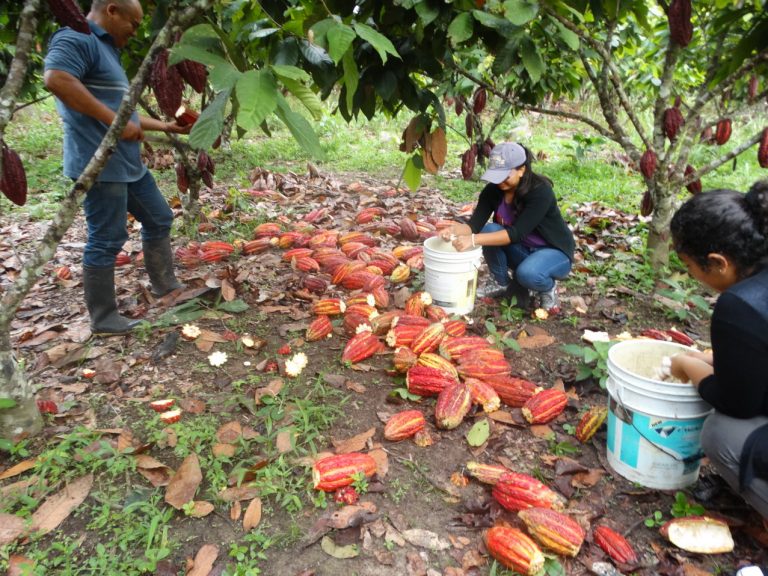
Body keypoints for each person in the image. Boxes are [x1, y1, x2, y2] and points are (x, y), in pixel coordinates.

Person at [43, 0, 188, 335]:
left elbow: (123, 113)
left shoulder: (107, 50)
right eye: (133, 23)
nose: (134, 31)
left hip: (126, 161)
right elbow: (57, 79)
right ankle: (104, 318)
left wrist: (165, 126)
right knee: (107, 237)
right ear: (112, 10)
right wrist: (114, 122)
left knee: (159, 217)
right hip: (98, 162)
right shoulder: (76, 37)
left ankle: (165, 285)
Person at [670, 180, 768, 523]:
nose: (690, 274)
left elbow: (737, 403)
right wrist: (710, 359)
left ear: (718, 262)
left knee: (720, 431)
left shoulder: (740, 306)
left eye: (689, 266)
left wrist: (686, 364)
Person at [438, 142, 575, 311]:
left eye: (505, 175)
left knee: (527, 274)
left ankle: (547, 288)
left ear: (522, 170)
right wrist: (453, 230)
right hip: (523, 250)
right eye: (496, 175)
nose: (500, 181)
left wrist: (473, 240)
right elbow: (474, 225)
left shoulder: (540, 191)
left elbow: (516, 233)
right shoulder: (493, 191)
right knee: (489, 230)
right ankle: (500, 281)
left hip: (555, 252)